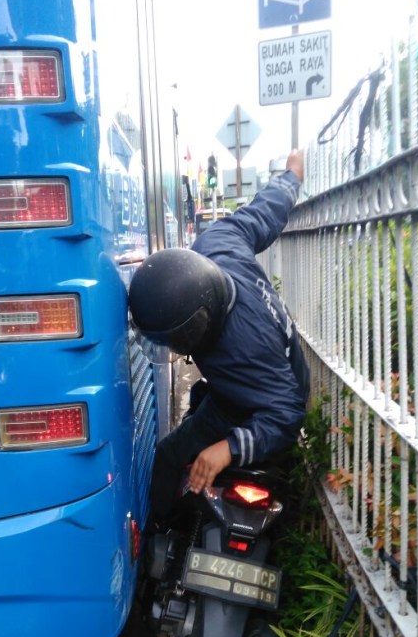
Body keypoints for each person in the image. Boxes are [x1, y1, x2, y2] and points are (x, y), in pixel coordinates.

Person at [128, 149, 310, 521]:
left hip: (263, 398)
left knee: (168, 454)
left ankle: (160, 536)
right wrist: (292, 176)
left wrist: (227, 448)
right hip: (253, 382)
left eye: (180, 339)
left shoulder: (244, 351)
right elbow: (265, 210)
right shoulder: (217, 244)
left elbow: (288, 414)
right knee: (199, 395)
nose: (177, 349)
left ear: (201, 322)